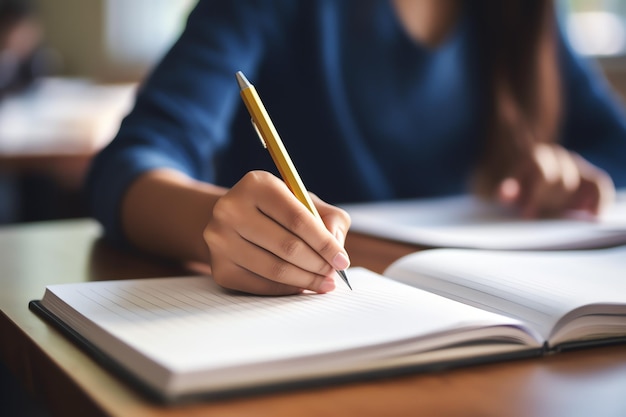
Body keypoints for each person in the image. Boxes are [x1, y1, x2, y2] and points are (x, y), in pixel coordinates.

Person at [86, 0, 626, 296]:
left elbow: (615, 144)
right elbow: (130, 163)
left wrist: (570, 175)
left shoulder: (525, 14)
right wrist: (215, 222)